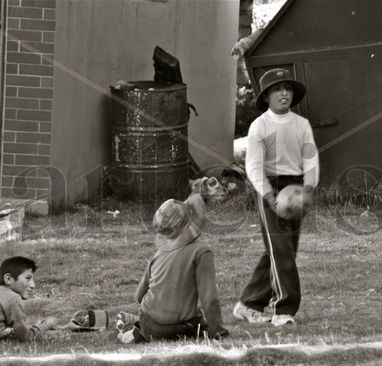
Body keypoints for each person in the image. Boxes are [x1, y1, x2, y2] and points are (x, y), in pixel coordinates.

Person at [233, 68, 319, 326]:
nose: (284, 93)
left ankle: (248, 303)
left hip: (296, 189)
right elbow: (253, 166)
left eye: (288, 88)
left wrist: (308, 187)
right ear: (267, 96)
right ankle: (284, 310)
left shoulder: (301, 124)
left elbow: (311, 157)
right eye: (277, 89)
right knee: (280, 248)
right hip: (270, 188)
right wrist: (269, 195)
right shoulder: (259, 125)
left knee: (284, 250)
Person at [116, 193, 229, 342]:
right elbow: (209, 300)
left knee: (154, 324)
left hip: (148, 321)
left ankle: (138, 328)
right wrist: (218, 332)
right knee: (200, 324)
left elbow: (138, 296)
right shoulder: (201, 252)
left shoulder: (159, 252)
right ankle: (141, 331)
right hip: (177, 329)